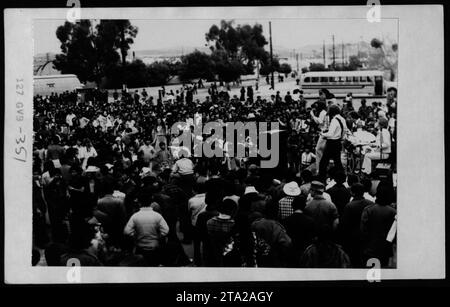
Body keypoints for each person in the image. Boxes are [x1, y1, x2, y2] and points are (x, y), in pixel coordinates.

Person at [123, 190, 170, 266]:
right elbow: (166, 230)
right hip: (154, 247)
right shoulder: (157, 216)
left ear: (139, 203)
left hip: (140, 246)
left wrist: (135, 236)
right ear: (151, 202)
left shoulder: (135, 216)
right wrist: (158, 237)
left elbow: (127, 231)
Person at [360, 182, 396, 267]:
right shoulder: (393, 212)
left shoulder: (368, 210)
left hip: (370, 247)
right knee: (383, 268)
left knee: (370, 270)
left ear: (377, 196)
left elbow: (363, 230)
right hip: (385, 248)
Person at [339, 183, 374, 267]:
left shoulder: (349, 206)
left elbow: (344, 224)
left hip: (352, 237)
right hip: (367, 237)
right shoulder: (370, 204)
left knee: (354, 260)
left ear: (352, 193)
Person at [283, 195, 316, 267]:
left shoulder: (286, 221)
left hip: (291, 253)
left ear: (292, 206)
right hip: (305, 253)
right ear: (304, 206)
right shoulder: (310, 221)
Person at [318, 105, 348, 182]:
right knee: (337, 162)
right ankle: (342, 178)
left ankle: (321, 178)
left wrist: (322, 134)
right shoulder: (342, 119)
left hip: (331, 143)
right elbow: (344, 130)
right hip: (338, 142)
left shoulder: (334, 120)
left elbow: (330, 134)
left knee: (323, 162)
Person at [205, 199, 238, 267]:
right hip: (230, 252)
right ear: (233, 210)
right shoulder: (234, 223)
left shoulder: (209, 222)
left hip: (214, 251)